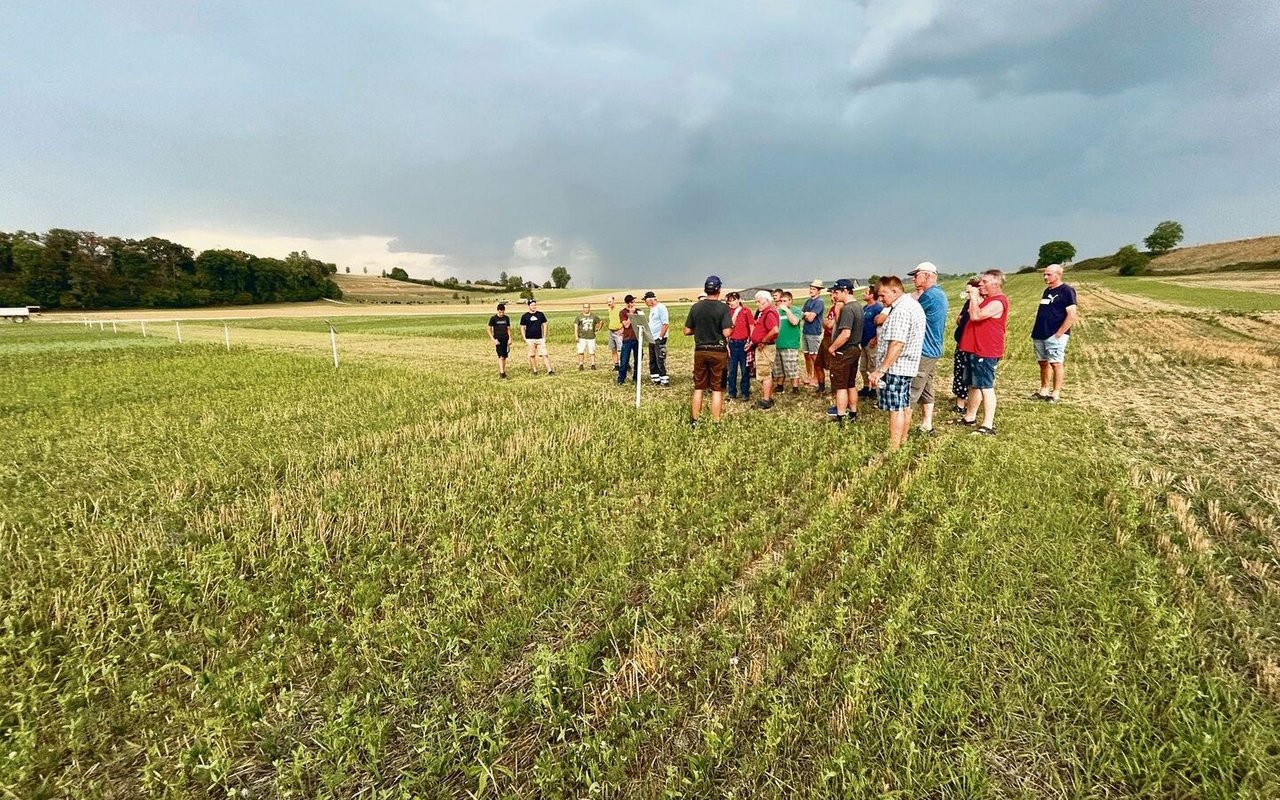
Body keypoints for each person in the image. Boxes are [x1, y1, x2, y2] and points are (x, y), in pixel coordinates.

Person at [868, 276, 926, 450]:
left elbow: (897, 343)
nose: (880, 299)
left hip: (897, 367)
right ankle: (902, 441)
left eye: (883, 294)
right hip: (905, 366)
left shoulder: (901, 310)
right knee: (904, 406)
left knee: (896, 409)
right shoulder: (909, 305)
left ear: (895, 290)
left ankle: (893, 449)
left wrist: (881, 370)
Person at [955, 270, 1009, 436]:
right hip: (973, 349)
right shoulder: (987, 300)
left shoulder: (998, 301)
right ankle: (969, 417)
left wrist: (972, 296)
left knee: (986, 386)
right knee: (973, 385)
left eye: (985, 282)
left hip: (986, 350)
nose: (980, 284)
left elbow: (976, 316)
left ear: (996, 284)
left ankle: (988, 425)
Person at [684, 275, 734, 428]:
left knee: (699, 387)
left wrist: (700, 330)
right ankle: (716, 421)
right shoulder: (723, 308)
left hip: (700, 351)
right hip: (718, 351)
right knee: (716, 389)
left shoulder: (696, 307)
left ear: (706, 289)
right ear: (719, 289)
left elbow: (687, 331)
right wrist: (732, 328)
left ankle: (695, 421)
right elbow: (726, 333)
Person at [907, 262, 950, 434]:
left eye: (916, 275)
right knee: (926, 386)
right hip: (933, 349)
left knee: (912, 389)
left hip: (924, 350)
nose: (913, 278)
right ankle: (927, 424)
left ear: (927, 276)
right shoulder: (938, 294)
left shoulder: (929, 296)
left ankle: (903, 428)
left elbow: (910, 314)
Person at [1030, 263, 1078, 403]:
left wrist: (1059, 334)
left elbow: (1071, 314)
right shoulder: (1047, 291)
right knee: (1043, 362)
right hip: (1040, 333)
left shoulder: (1067, 291)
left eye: (1049, 274)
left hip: (1055, 334)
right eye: (1044, 274)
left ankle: (1055, 393)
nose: (1045, 277)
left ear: (1058, 274)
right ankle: (1044, 389)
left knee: (1056, 363)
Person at [824, 279, 862, 424]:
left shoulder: (848, 308)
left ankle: (841, 417)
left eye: (837, 291)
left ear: (846, 291)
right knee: (851, 383)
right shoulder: (857, 306)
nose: (834, 294)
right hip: (855, 349)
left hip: (844, 351)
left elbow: (845, 333)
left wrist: (832, 347)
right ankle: (853, 414)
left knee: (840, 386)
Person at [951, 277, 980, 413]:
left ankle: (963, 404)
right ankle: (960, 401)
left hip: (970, 345)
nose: (967, 295)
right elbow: (960, 319)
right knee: (959, 372)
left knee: (965, 374)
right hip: (961, 341)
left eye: (969, 292)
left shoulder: (978, 304)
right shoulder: (967, 303)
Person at [749, 290, 780, 409]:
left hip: (766, 348)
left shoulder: (769, 313)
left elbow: (775, 330)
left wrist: (763, 340)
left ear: (766, 301)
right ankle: (768, 397)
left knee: (765, 373)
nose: (757, 304)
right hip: (763, 346)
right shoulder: (765, 312)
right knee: (764, 372)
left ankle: (766, 400)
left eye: (759, 301)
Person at [772, 291, 803, 394]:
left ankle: (795, 388)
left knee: (791, 367)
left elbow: (794, 322)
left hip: (790, 344)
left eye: (785, 301)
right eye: (781, 301)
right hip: (777, 343)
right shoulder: (776, 311)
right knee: (778, 367)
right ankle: (779, 385)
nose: (782, 303)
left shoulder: (796, 310)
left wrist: (787, 311)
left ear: (790, 301)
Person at [725, 291, 754, 401]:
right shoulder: (728, 312)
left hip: (743, 343)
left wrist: (751, 341)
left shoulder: (746, 311)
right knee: (731, 370)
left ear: (739, 300)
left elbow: (751, 326)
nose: (732, 302)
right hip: (732, 343)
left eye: (734, 300)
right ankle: (732, 392)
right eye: (730, 301)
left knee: (745, 369)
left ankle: (745, 392)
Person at [857, 285, 883, 398]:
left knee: (872, 366)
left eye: (866, 292)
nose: (864, 294)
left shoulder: (878, 308)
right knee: (863, 367)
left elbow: (882, 325)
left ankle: (874, 389)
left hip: (872, 342)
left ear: (872, 295)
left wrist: (876, 338)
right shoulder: (864, 308)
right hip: (863, 341)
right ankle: (866, 386)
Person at [801, 279, 825, 389]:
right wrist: (806, 314)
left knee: (814, 356)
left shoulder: (819, 302)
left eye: (814, 289)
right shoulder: (808, 301)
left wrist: (806, 314)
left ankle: (816, 378)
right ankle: (809, 375)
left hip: (814, 332)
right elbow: (801, 314)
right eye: (811, 288)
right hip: (806, 331)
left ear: (819, 291)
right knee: (806, 355)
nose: (811, 290)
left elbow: (810, 318)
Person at [643, 291, 670, 386]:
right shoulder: (652, 309)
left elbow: (665, 324)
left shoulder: (661, 308)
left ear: (650, 299)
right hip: (652, 337)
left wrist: (660, 336)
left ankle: (664, 379)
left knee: (660, 359)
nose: (645, 303)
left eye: (645, 300)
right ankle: (655, 378)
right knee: (652, 359)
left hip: (659, 338)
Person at [520, 299, 554, 375]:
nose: (534, 306)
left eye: (535, 305)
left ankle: (550, 370)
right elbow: (522, 327)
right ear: (529, 306)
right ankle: (535, 371)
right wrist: (524, 338)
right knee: (532, 355)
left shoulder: (540, 314)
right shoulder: (525, 316)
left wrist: (544, 336)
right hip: (530, 339)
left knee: (545, 354)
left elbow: (545, 324)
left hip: (540, 339)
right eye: (532, 305)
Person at [616, 294, 640, 384]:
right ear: (628, 303)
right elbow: (626, 325)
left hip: (638, 339)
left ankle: (636, 378)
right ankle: (621, 378)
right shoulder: (623, 312)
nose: (634, 304)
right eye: (633, 302)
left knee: (638, 360)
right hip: (627, 339)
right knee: (624, 360)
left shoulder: (639, 311)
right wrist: (631, 314)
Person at [573, 303, 603, 370]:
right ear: (583, 308)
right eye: (585, 307)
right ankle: (581, 364)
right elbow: (575, 326)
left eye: (587, 307)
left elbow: (600, 322)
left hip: (591, 337)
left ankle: (593, 364)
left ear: (589, 308)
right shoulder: (579, 317)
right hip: (582, 337)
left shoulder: (594, 316)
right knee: (581, 351)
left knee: (592, 351)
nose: (586, 309)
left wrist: (598, 330)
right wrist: (576, 336)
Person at [487, 302, 512, 379]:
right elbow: (488, 329)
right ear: (497, 311)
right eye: (500, 312)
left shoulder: (506, 318)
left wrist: (510, 338)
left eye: (503, 312)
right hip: (498, 340)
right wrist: (493, 339)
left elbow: (508, 328)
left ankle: (503, 371)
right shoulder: (493, 318)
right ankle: (502, 373)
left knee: (504, 356)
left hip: (505, 339)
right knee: (500, 356)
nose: (501, 313)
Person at [606, 296, 623, 369]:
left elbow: (624, 319)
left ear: (614, 301)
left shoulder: (620, 309)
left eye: (610, 302)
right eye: (607, 302)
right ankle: (616, 365)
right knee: (613, 349)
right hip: (611, 331)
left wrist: (622, 328)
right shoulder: (609, 309)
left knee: (621, 349)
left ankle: (624, 364)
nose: (608, 304)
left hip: (618, 331)